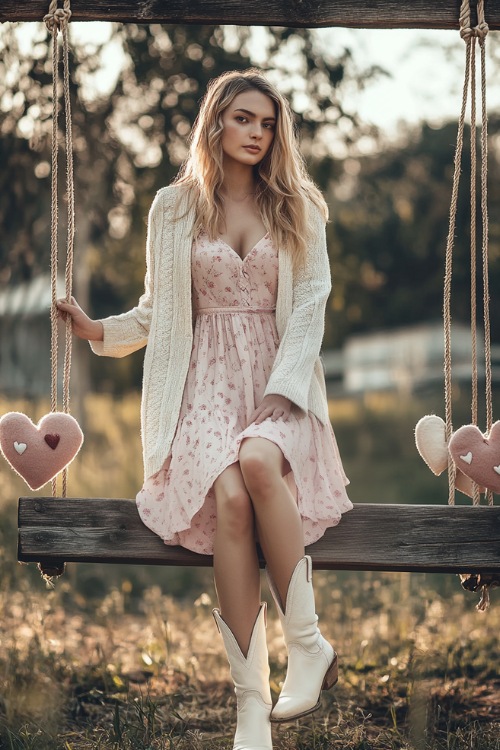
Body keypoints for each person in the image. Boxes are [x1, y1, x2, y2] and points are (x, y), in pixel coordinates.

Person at [58, 68, 352, 750]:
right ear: (215, 123)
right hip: (205, 388)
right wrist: (98, 331)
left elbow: (310, 304)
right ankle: (252, 707)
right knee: (230, 500)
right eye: (245, 118)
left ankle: (306, 645)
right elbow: (161, 311)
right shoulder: (173, 208)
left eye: (268, 122)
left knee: (258, 463)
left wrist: (287, 385)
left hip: (280, 378)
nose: (257, 132)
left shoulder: (299, 204)